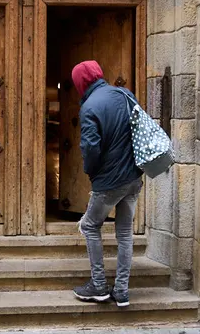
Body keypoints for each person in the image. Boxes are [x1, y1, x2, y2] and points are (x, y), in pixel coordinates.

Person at [70, 60, 143, 308]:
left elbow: (90, 148)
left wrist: (91, 172)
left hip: (109, 181)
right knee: (124, 233)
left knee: (90, 226)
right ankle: (121, 291)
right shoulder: (124, 94)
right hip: (134, 178)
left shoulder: (90, 107)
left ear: (80, 82)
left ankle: (99, 285)